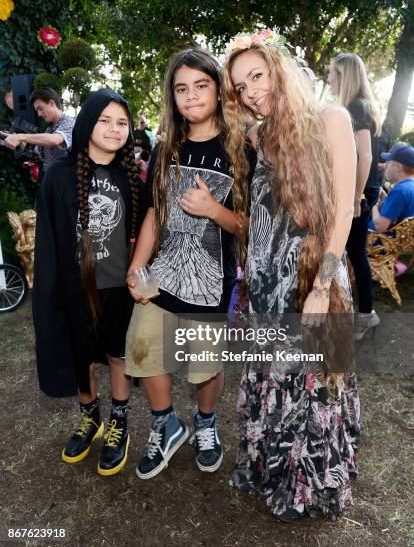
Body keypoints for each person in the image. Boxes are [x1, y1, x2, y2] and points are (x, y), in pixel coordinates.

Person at [222, 29, 359, 521]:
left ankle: (311, 486)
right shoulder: (256, 136)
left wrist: (322, 288)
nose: (250, 90)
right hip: (265, 289)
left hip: (310, 282)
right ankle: (270, 470)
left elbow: (344, 212)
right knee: (272, 381)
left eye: (256, 75)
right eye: (240, 86)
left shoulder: (332, 119)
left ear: (279, 67)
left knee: (312, 384)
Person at [124, 47, 251, 480]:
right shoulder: (166, 147)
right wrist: (138, 265)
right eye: (181, 89)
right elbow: (156, 212)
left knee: (204, 364)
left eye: (201, 86)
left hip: (211, 281)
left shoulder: (240, 149)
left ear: (218, 89)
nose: (192, 96)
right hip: (162, 273)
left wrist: (214, 210)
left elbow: (252, 225)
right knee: (143, 348)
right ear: (172, 97)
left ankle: (206, 421)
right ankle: (166, 423)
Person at [32, 88, 143, 476]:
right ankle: (90, 416)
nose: (114, 129)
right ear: (86, 123)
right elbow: (47, 239)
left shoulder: (129, 177)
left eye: (122, 123)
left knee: (117, 354)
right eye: (105, 120)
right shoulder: (58, 175)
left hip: (118, 288)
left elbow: (145, 230)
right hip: (75, 287)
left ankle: (119, 421)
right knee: (80, 354)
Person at [329, 53, 382, 340]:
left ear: (345, 75)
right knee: (352, 252)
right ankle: (362, 313)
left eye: (332, 74)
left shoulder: (356, 107)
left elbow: (366, 156)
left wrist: (355, 197)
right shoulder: (355, 106)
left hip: (358, 192)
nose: (329, 79)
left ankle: (364, 316)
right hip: (357, 190)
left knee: (353, 253)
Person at [3, 87, 74, 171]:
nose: (39, 114)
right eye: (37, 110)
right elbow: (38, 151)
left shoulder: (69, 123)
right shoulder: (49, 129)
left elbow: (54, 140)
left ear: (51, 103)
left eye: (40, 108)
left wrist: (19, 137)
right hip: (52, 181)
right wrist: (14, 140)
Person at [369, 142, 414, 232]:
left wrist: (374, 206)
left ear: (397, 167)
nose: (384, 165)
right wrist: (385, 198)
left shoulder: (400, 191)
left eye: (388, 162)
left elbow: (380, 226)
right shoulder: (409, 187)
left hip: (377, 242)